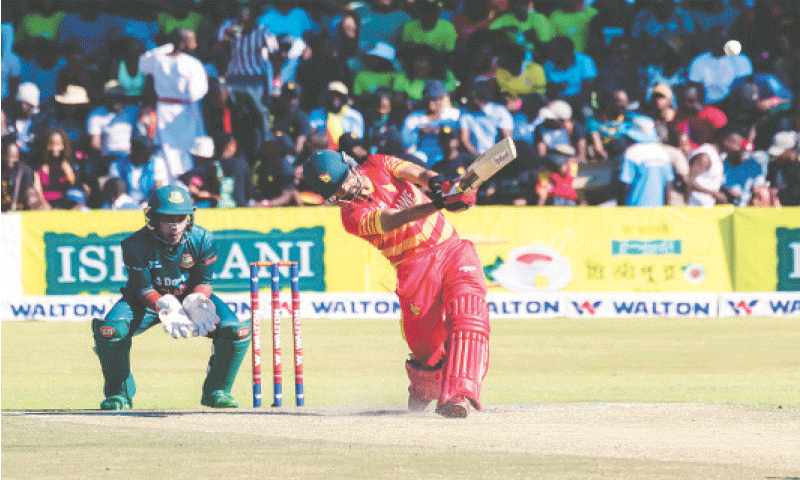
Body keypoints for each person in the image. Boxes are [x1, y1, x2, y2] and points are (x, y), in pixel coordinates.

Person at [301, 149, 490, 418]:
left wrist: (440, 185)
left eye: (343, 178)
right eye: (335, 190)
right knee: (428, 352)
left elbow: (421, 174)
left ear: (351, 165)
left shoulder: (378, 163)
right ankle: (425, 389)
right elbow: (392, 219)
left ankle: (457, 395)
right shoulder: (351, 218)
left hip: (451, 248)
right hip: (415, 271)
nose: (344, 188)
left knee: (468, 312)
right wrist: (437, 204)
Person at [92, 184, 251, 410]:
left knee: (237, 332)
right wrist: (164, 306)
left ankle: (217, 391)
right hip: (146, 302)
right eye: (167, 219)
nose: (175, 226)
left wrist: (196, 301)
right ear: (153, 218)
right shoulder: (135, 244)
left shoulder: (203, 239)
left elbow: (204, 282)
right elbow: (142, 289)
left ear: (190, 218)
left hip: (190, 299)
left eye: (180, 218)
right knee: (110, 332)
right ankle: (119, 394)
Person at [138, 27, 208, 185]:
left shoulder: (158, 58)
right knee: (181, 150)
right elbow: (198, 92)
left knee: (167, 150)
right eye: (192, 40)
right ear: (183, 43)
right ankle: (181, 185)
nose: (196, 44)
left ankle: (176, 185)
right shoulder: (192, 63)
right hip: (184, 111)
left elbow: (143, 64)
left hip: (163, 108)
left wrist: (168, 46)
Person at [401, 79, 461, 166]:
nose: (431, 103)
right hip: (421, 154)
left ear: (442, 99)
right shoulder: (413, 118)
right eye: (429, 98)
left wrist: (442, 130)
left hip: (445, 154)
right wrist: (419, 132)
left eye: (436, 99)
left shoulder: (453, 115)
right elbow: (406, 144)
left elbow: (461, 135)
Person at [459, 82, 513, 157]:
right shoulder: (464, 113)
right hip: (475, 157)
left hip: (499, 156)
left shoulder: (500, 111)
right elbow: (465, 140)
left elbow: (507, 138)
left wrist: (497, 157)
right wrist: (479, 157)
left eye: (473, 98)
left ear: (480, 100)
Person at [309, 81, 364, 151]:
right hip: (323, 151)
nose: (335, 98)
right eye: (332, 95)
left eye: (339, 95)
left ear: (345, 98)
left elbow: (357, 140)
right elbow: (310, 134)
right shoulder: (316, 114)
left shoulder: (354, 116)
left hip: (347, 152)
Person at [1, 134, 37, 211]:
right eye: (7, 156)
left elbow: (29, 189)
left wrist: (25, 202)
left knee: (32, 197)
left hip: (19, 206)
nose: (10, 160)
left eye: (13, 156)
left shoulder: (25, 170)